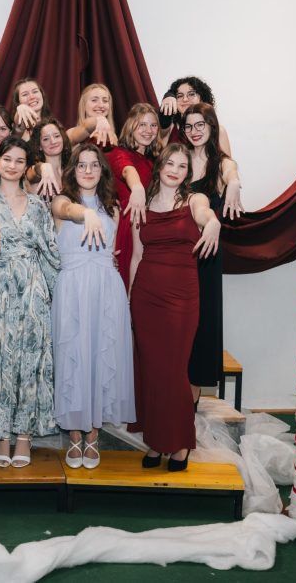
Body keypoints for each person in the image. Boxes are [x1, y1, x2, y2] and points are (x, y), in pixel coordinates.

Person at [0, 137, 60, 468]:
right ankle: (2, 435)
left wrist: (53, 293)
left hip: (33, 290)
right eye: (7, 159)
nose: (12, 165)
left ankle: (24, 435)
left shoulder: (38, 205)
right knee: (0, 358)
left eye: (20, 161)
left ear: (26, 166)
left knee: (30, 359)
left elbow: (50, 251)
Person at [128, 143, 220, 471]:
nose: (175, 170)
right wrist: (130, 299)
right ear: (160, 165)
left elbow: (205, 214)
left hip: (182, 296)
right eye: (170, 163)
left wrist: (213, 222)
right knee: (152, 370)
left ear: (187, 173)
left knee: (175, 370)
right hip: (145, 296)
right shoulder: (142, 203)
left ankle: (180, 442)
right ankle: (156, 441)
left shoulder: (194, 200)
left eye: (182, 166)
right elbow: (137, 256)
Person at [50, 144, 135, 469]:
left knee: (101, 356)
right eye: (81, 165)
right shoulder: (61, 202)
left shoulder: (113, 208)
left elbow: (112, 249)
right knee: (73, 358)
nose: (87, 170)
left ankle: (94, 435)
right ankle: (75, 435)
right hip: (72, 289)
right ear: (72, 170)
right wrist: (85, 214)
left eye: (94, 165)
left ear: (102, 171)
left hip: (106, 288)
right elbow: (67, 212)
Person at [180, 104, 243, 409]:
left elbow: (232, 171)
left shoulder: (221, 164)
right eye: (189, 126)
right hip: (178, 252)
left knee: (202, 323)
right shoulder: (178, 160)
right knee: (178, 323)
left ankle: (191, 401)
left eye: (200, 125)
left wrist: (234, 183)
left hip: (205, 255)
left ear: (211, 126)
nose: (194, 131)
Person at [104, 103, 160, 291]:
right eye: (142, 124)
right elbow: (128, 170)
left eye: (153, 125)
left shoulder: (153, 161)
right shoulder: (118, 153)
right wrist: (137, 188)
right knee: (127, 287)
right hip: (130, 226)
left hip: (150, 229)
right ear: (131, 125)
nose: (148, 130)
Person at [158, 76, 233, 154]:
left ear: (202, 98)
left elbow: (227, 160)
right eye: (179, 96)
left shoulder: (219, 131)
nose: (185, 99)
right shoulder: (169, 128)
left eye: (191, 94)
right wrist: (168, 95)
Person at [26, 118, 72, 198]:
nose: (53, 141)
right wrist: (42, 167)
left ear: (62, 138)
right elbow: (31, 174)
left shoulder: (70, 170)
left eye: (57, 136)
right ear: (39, 146)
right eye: (46, 139)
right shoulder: (38, 172)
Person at [66, 83, 117, 147]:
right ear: (83, 105)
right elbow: (86, 127)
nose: (101, 105)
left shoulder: (113, 136)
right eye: (94, 100)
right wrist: (99, 119)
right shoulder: (71, 133)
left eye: (105, 101)